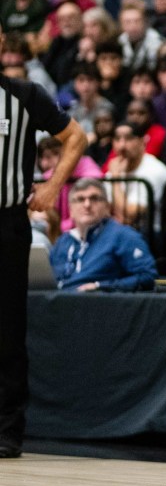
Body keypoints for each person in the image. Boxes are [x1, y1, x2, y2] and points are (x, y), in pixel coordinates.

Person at [0, 73, 86, 458]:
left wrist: (52, 186)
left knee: (7, 331)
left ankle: (6, 431)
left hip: (6, 222)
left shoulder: (23, 95)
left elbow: (77, 138)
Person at [49, 178, 157, 292]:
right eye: (80, 199)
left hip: (98, 303)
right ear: (70, 210)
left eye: (94, 198)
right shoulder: (63, 241)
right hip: (57, 303)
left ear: (107, 207)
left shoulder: (123, 236)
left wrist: (100, 286)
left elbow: (147, 277)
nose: (87, 204)